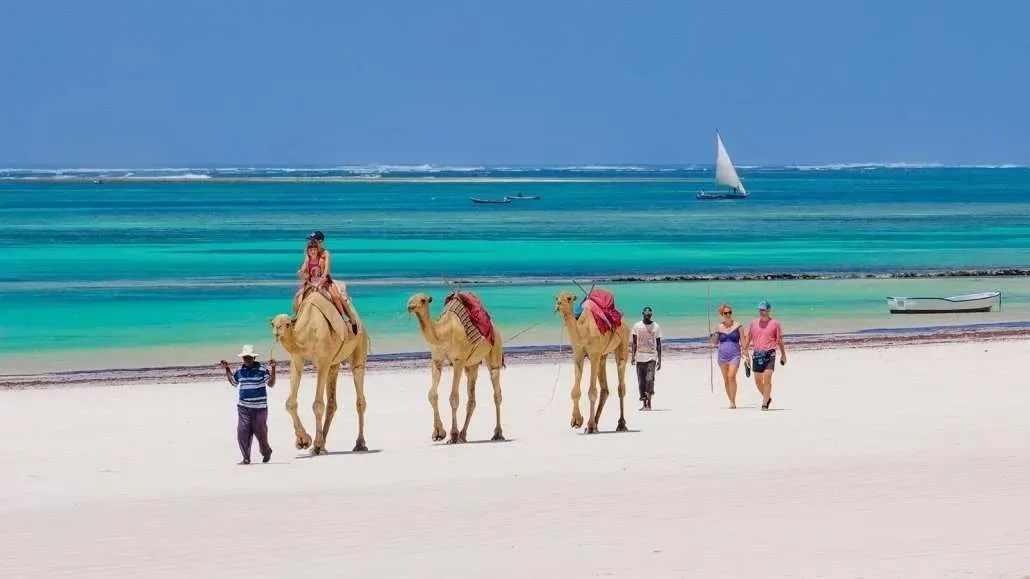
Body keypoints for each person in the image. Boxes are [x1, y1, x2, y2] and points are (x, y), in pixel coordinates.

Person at [219, 345, 277, 464]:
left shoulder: (262, 370)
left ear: (254, 358)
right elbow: (233, 382)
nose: (247, 359)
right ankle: (246, 458)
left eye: (249, 357)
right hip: (243, 407)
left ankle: (266, 452)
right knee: (242, 432)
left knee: (261, 434)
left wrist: (273, 369)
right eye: (245, 357)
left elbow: (271, 384)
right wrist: (227, 369)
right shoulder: (240, 371)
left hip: (260, 408)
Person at [296, 230, 359, 334]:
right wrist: (302, 272)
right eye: (311, 240)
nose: (311, 242)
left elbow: (326, 270)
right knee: (298, 297)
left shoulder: (325, 254)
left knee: (336, 296)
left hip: (325, 281)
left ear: (320, 241)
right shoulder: (309, 253)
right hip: (312, 281)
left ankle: (350, 319)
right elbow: (305, 265)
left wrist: (322, 279)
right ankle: (298, 319)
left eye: (314, 240)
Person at [741, 300, 786, 410]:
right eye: (760, 310)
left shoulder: (775, 324)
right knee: (758, 382)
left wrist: (783, 355)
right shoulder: (753, 323)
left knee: (767, 378)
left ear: (769, 310)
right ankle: (767, 397)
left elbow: (779, 340)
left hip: (770, 354)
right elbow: (749, 337)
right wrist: (744, 349)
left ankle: (764, 403)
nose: (762, 312)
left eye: (764, 310)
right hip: (757, 355)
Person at [709, 303, 746, 409]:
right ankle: (731, 401)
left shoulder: (738, 326)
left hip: (735, 355)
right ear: (722, 314)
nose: (728, 314)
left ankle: (733, 400)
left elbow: (743, 341)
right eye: (725, 313)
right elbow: (715, 342)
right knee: (726, 379)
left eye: (730, 312)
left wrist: (746, 353)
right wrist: (711, 336)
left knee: (731, 376)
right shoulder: (719, 327)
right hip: (722, 356)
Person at [631, 306, 662, 410]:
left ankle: (649, 403)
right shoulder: (637, 326)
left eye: (649, 315)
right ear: (643, 314)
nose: (648, 316)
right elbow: (634, 343)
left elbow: (658, 344)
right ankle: (644, 404)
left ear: (651, 315)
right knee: (641, 382)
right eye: (646, 314)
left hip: (651, 357)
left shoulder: (656, 326)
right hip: (640, 357)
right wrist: (633, 356)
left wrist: (659, 360)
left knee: (649, 379)